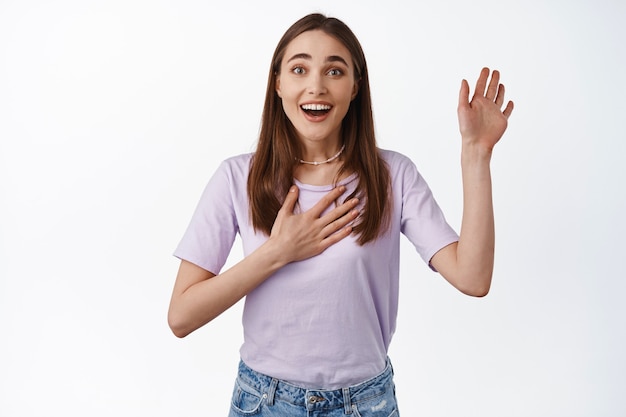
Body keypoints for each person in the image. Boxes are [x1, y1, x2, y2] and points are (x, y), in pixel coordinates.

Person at [168, 13, 513, 417]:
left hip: (364, 405)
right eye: (299, 69)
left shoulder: (393, 176)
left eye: (335, 70)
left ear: (355, 87)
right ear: (278, 83)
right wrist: (277, 252)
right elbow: (181, 317)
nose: (316, 86)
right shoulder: (235, 177)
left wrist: (476, 153)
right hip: (264, 402)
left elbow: (473, 278)